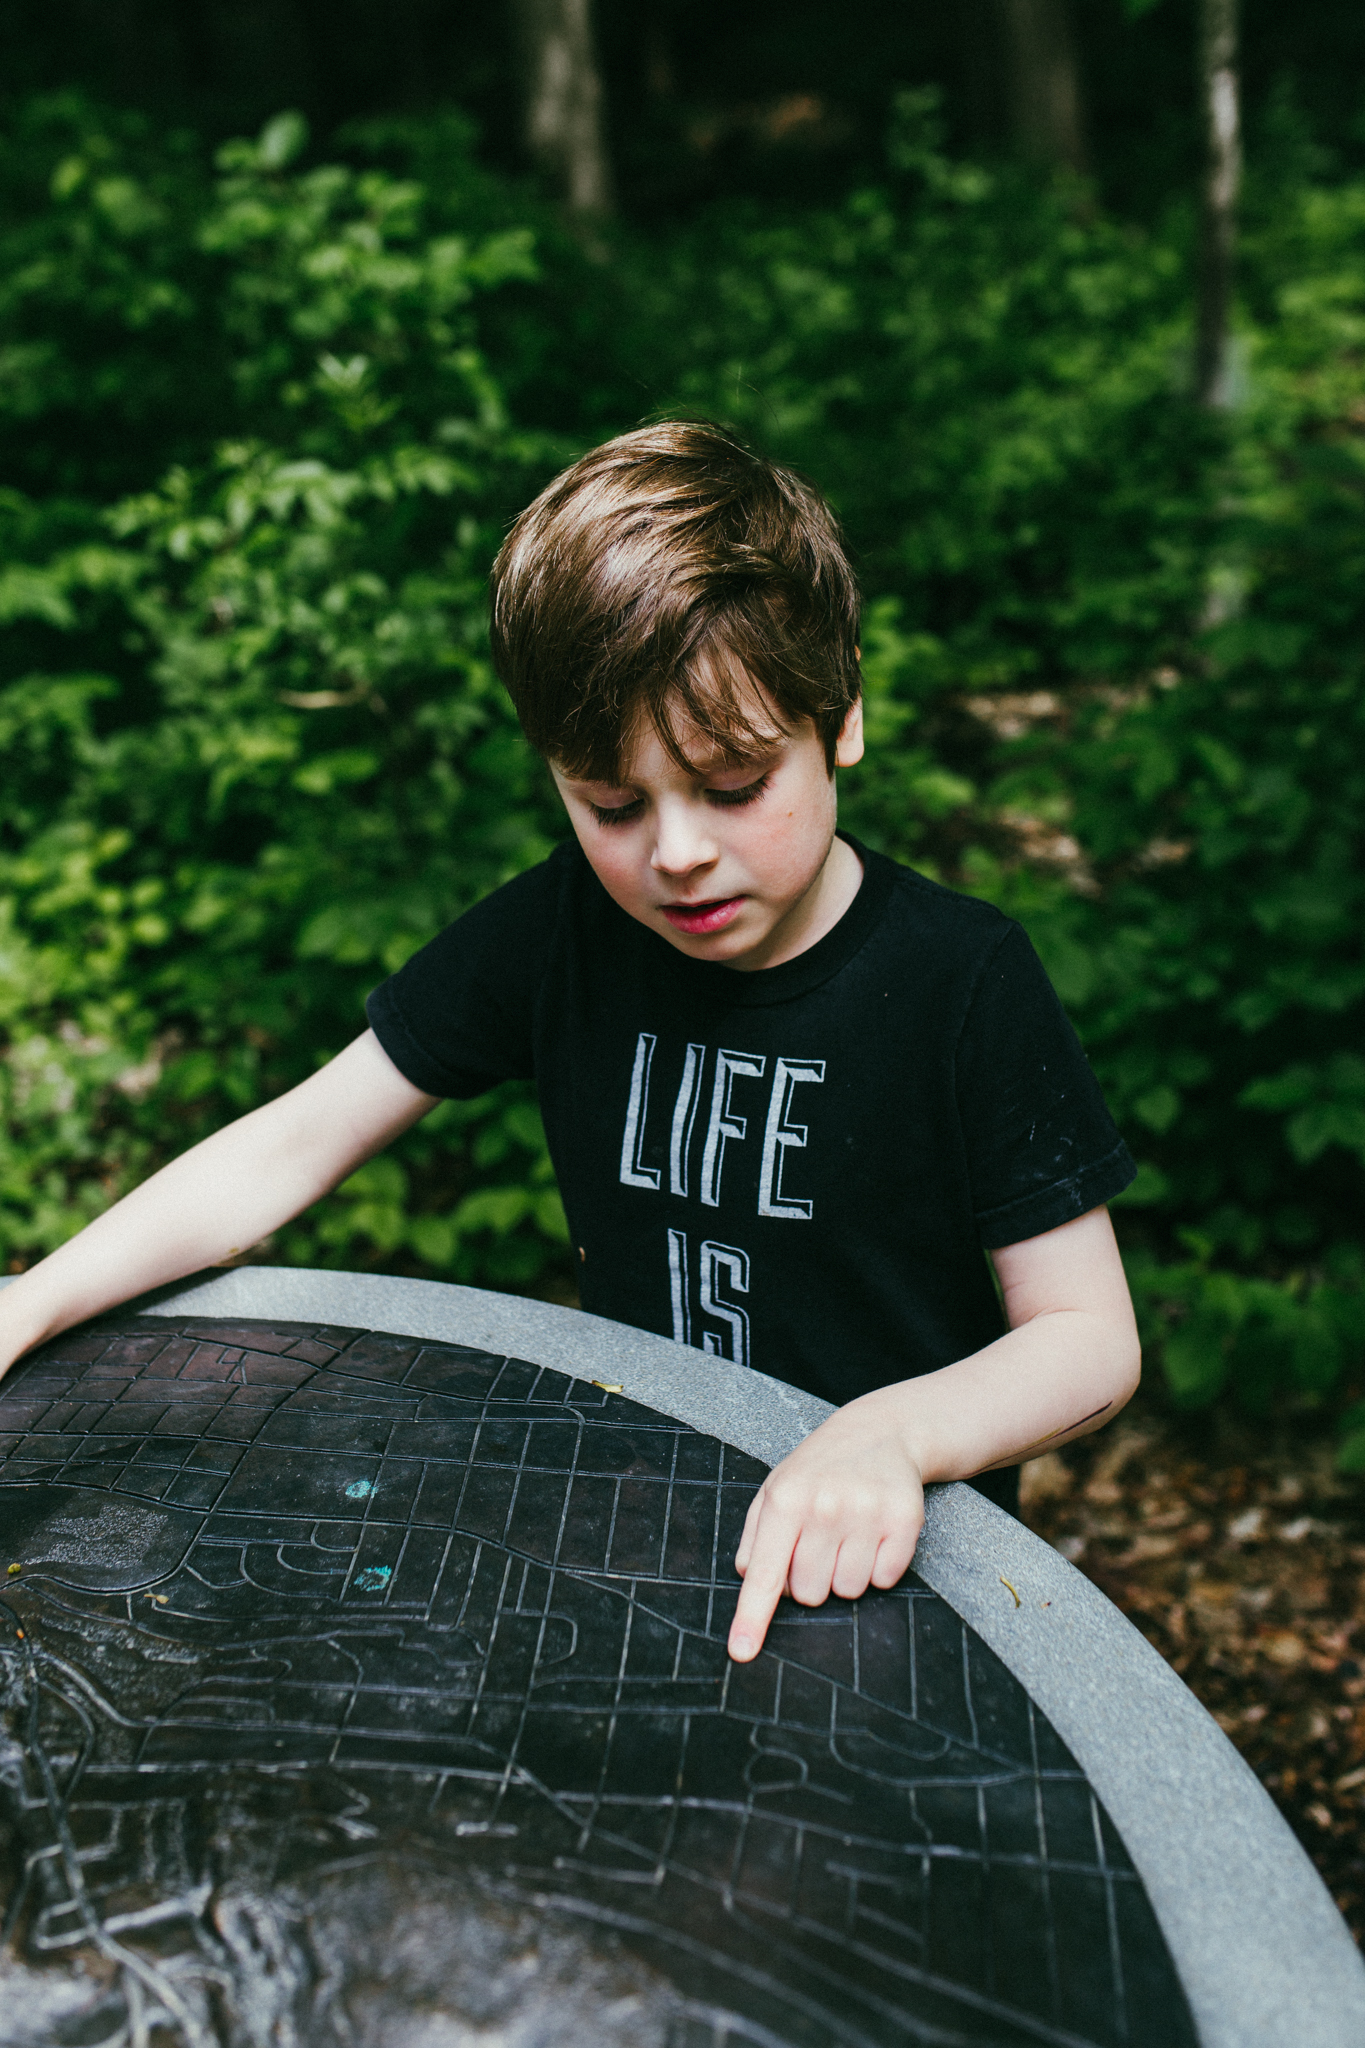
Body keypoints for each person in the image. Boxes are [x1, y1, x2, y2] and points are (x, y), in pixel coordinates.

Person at [0, 421, 1140, 1663]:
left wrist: (897, 1435)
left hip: (887, 1580)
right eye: (611, 802)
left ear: (842, 715)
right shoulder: (565, 928)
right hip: (638, 1539)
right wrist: (38, 1296)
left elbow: (1089, 1340)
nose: (676, 851)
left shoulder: (962, 980)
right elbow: (293, 1141)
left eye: (735, 782)